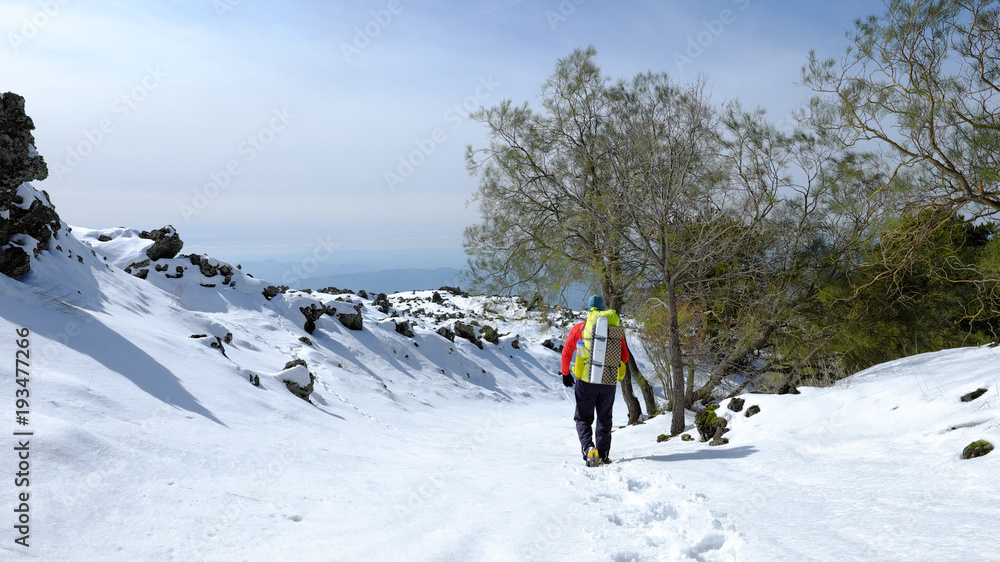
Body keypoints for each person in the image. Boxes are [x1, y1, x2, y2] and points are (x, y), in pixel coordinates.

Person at [560, 294, 630, 466]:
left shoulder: (580, 328)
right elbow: (625, 357)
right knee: (604, 418)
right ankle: (603, 455)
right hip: (608, 381)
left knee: (583, 418)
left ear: (589, 310)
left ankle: (588, 448)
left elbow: (567, 353)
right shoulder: (614, 330)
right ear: (603, 309)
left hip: (585, 380)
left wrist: (565, 374)